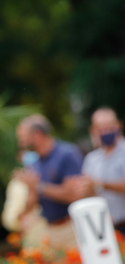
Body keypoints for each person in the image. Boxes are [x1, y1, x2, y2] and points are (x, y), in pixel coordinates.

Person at [12, 114, 83, 251]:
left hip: (72, 228)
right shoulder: (34, 163)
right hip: (51, 230)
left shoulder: (67, 154)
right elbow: (32, 204)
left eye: (23, 138)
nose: (21, 144)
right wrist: (30, 189)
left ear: (37, 135)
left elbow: (73, 195)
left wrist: (39, 187)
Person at [71, 107, 125, 235]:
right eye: (101, 128)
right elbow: (87, 194)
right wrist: (84, 189)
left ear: (118, 125)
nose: (106, 131)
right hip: (105, 228)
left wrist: (99, 184)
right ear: (93, 130)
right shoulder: (92, 159)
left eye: (109, 127)